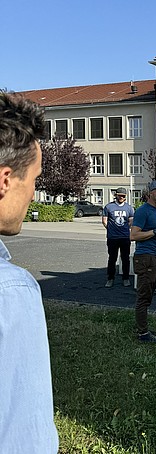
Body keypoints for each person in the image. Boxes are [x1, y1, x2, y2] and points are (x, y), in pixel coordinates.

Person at [0, 91, 59, 452]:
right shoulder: (11, 293)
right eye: (34, 179)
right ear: (4, 180)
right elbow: (26, 441)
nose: (34, 194)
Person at [130, 180, 156, 342]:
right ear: (150, 194)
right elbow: (133, 235)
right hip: (144, 258)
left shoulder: (154, 211)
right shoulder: (143, 211)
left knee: (148, 296)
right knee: (143, 297)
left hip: (153, 258)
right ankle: (143, 334)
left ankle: (143, 327)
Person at [102, 187, 134, 288]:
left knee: (125, 259)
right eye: (119, 195)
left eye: (123, 196)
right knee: (112, 258)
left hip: (125, 237)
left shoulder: (129, 208)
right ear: (116, 195)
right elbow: (104, 220)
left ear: (125, 197)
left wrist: (125, 229)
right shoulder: (108, 207)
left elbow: (131, 221)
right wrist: (110, 229)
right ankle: (110, 279)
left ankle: (126, 278)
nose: (121, 197)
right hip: (112, 238)